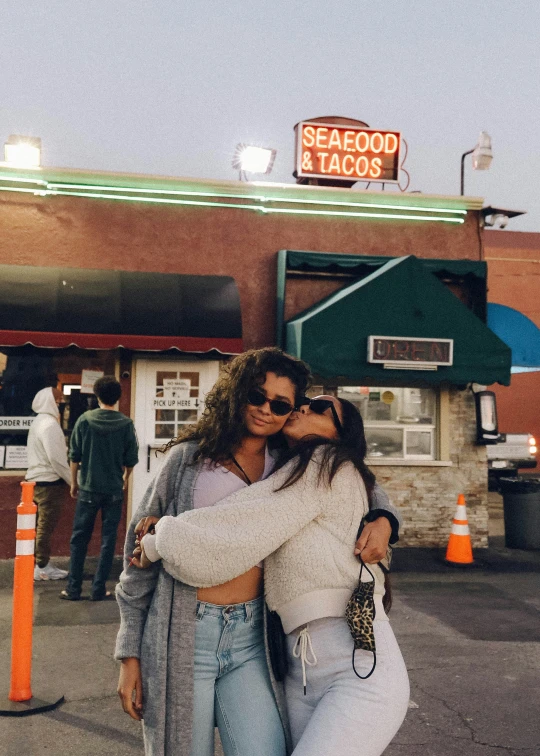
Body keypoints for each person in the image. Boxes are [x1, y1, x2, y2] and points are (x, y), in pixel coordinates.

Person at [115, 348, 401, 756]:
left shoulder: (291, 460)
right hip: (186, 632)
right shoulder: (188, 460)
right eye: (256, 396)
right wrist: (129, 655)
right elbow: (136, 563)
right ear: (236, 393)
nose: (267, 409)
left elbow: (362, 481)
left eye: (281, 404)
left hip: (251, 640)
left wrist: (385, 518)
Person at [61, 376, 138, 601]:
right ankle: (98, 588)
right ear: (118, 397)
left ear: (96, 396)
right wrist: (124, 478)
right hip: (113, 489)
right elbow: (131, 459)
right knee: (108, 539)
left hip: (88, 488)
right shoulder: (126, 424)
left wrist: (74, 482)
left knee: (79, 538)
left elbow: (74, 456)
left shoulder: (85, 420)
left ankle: (73, 588)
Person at [26, 386, 70, 581]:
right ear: (51, 402)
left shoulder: (37, 422)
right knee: (45, 526)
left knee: (35, 526)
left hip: (34, 480)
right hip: (49, 482)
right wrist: (72, 481)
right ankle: (42, 566)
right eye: (58, 400)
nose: (61, 404)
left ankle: (37, 563)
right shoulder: (50, 425)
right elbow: (57, 459)